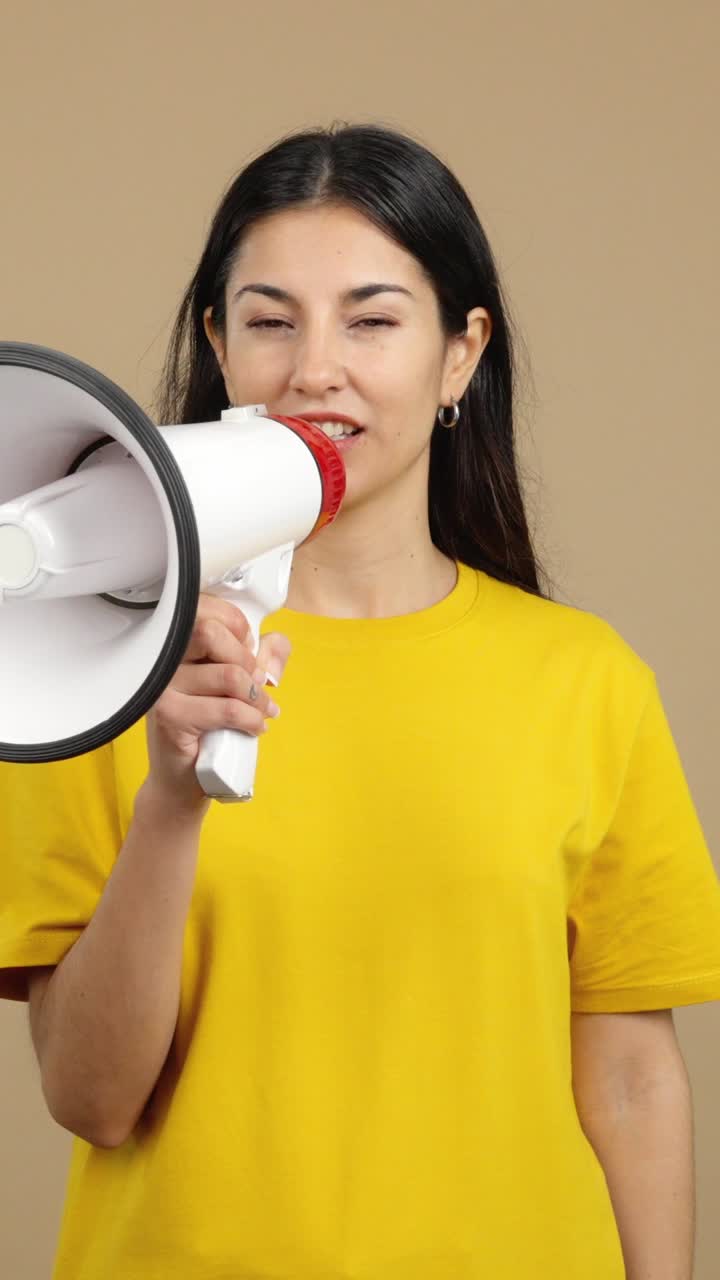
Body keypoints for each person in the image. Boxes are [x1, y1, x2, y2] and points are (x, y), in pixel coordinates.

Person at [1, 122, 720, 1280]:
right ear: (218, 346)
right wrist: (173, 799)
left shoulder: (587, 681)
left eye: (373, 319)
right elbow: (90, 1097)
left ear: (459, 354)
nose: (314, 368)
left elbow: (633, 1076)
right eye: (270, 319)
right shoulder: (95, 674)